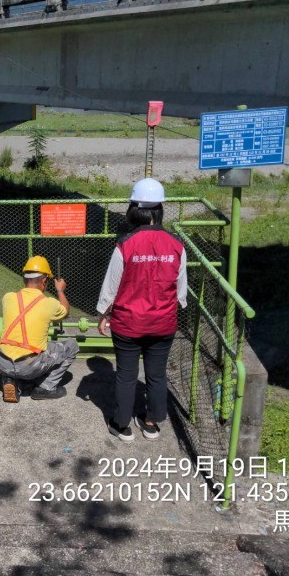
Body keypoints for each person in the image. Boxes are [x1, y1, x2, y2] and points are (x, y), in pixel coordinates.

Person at [96, 178, 187, 442]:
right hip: (163, 323)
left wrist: (103, 315)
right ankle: (151, 423)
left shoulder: (125, 244)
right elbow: (181, 289)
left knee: (125, 376)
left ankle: (121, 424)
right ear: (159, 209)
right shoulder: (176, 245)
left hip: (128, 323)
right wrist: (175, 308)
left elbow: (111, 286)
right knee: (156, 375)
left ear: (134, 209)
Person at [0, 255, 79, 402]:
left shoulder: (7, 297)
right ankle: (46, 387)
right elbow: (65, 311)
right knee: (72, 346)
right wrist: (60, 290)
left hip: (3, 362)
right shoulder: (49, 303)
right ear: (44, 281)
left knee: (13, 349)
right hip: (29, 365)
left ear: (24, 279)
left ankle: (10, 380)